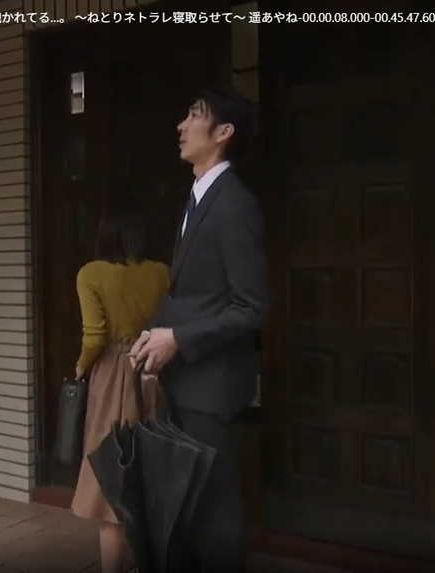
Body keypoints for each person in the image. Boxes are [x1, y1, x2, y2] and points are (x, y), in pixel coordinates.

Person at [130, 86, 268, 573]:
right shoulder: (196, 198)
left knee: (214, 513)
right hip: (185, 382)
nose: (182, 125)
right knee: (184, 509)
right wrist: (153, 335)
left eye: (194, 116)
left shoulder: (234, 205)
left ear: (223, 132)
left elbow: (251, 307)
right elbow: (189, 295)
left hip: (212, 388)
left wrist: (178, 339)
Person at [70, 201, 171, 573]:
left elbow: (94, 337)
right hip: (153, 372)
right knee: (150, 474)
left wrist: (81, 368)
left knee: (111, 485)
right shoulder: (161, 273)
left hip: (113, 378)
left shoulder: (91, 274)